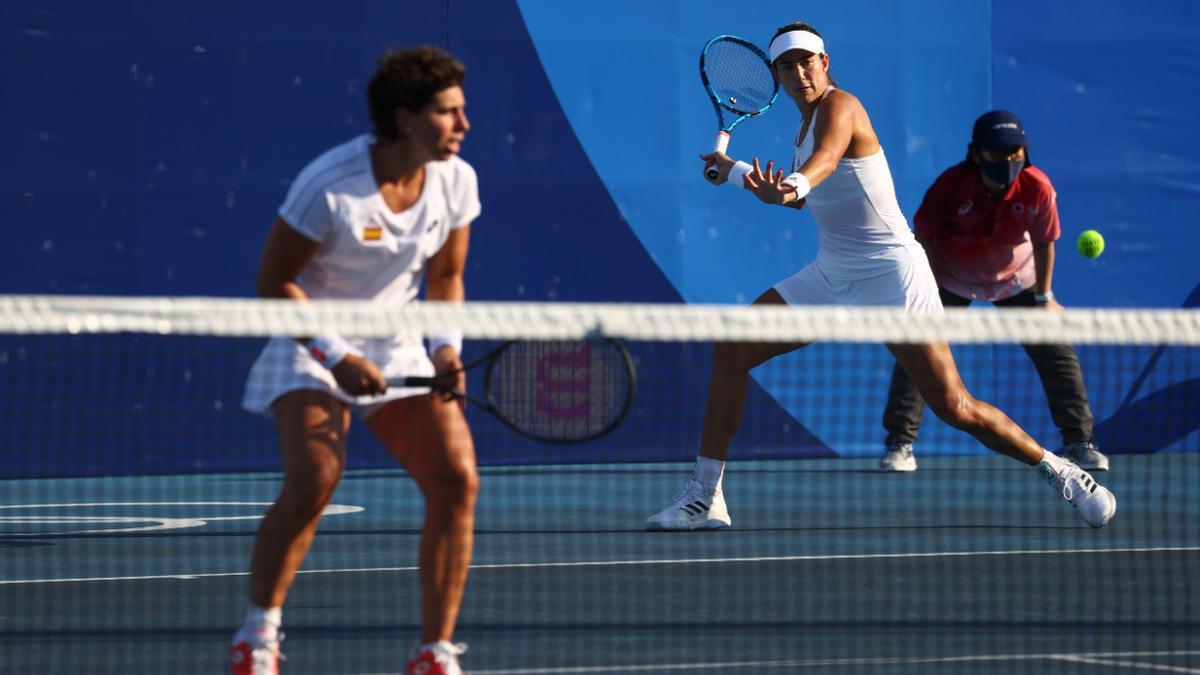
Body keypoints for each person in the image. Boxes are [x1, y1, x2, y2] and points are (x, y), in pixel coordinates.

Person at [644, 22, 1116, 532]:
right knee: (733, 347)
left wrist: (791, 183)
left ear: (826, 64)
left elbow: (820, 167)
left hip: (895, 275)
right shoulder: (802, 131)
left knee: (955, 406)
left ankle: (1062, 471)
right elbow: (801, 197)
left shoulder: (842, 106)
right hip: (833, 273)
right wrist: (735, 171)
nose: (800, 72)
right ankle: (704, 496)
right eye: (788, 65)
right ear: (777, 76)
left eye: (808, 61)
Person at [231, 46, 479, 675]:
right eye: (448, 113)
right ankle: (258, 634)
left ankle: (434, 652)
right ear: (405, 118)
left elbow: (447, 278)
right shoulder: (331, 186)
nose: (463, 125)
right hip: (311, 341)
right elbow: (273, 281)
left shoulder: (456, 181)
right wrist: (335, 354)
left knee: (456, 481)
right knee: (314, 480)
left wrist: (445, 346)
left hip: (397, 341)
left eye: (463, 110)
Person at [879, 110, 1110, 474]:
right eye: (999, 153)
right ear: (977, 155)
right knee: (919, 350)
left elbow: (1045, 242)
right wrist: (930, 285)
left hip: (1016, 279)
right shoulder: (950, 185)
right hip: (953, 276)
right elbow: (923, 234)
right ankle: (900, 443)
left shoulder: (1038, 187)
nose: (1008, 161)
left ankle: (1080, 442)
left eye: (1015, 152)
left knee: (1057, 353)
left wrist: (1044, 297)